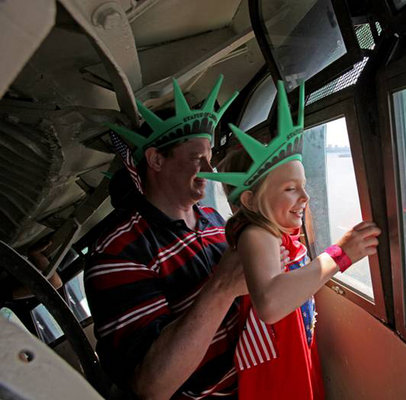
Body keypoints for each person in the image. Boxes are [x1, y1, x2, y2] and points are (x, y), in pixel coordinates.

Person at [197, 81, 381, 400]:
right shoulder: (257, 234)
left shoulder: (280, 233)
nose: (305, 196)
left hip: (292, 353)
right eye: (290, 188)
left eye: (303, 185)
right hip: (275, 371)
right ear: (252, 202)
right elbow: (269, 305)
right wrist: (339, 254)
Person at [84, 75, 247, 400]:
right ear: (156, 160)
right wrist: (222, 287)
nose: (209, 168)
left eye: (210, 156)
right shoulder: (115, 249)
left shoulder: (213, 220)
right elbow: (152, 386)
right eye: (195, 158)